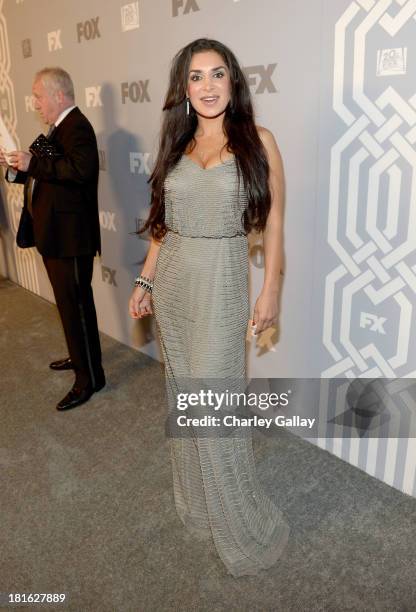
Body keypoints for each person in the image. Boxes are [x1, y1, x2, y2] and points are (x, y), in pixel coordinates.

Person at [129, 39, 290, 577]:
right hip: (173, 277)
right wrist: (145, 279)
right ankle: (200, 508)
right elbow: (163, 225)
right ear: (184, 88)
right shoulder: (176, 145)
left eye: (218, 74)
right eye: (196, 77)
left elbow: (274, 226)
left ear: (234, 82)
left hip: (222, 278)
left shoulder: (258, 141)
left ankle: (239, 524)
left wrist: (271, 290)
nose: (208, 85)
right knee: (183, 394)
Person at [0, 67, 105, 411]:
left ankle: (88, 379)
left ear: (58, 95)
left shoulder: (79, 128)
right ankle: (81, 361)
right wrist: (16, 167)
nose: (35, 103)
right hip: (54, 235)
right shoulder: (56, 128)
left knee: (75, 306)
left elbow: (79, 173)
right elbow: (41, 174)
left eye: (38, 96)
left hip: (71, 238)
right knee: (68, 306)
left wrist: (33, 163)